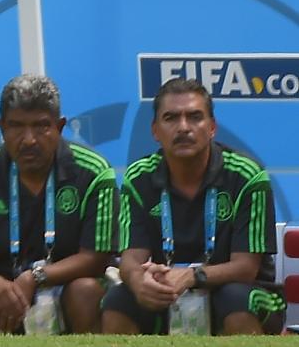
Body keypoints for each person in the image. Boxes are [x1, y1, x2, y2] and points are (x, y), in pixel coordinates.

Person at [0, 74, 116, 335]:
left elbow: (96, 257)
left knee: (85, 291)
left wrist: (35, 277)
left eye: (41, 126)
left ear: (60, 127)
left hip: (63, 287)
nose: (29, 139)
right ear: (2, 127)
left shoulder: (94, 171)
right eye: (17, 126)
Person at [101, 78, 284, 335]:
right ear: (155, 130)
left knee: (236, 299)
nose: (183, 127)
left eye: (195, 117)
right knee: (119, 300)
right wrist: (138, 281)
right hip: (169, 294)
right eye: (171, 118)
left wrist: (190, 277)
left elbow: (246, 268)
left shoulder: (246, 175)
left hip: (243, 291)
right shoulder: (139, 176)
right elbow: (131, 258)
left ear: (212, 128)